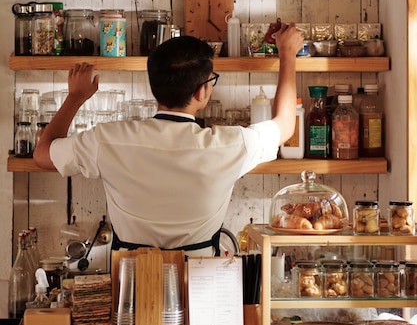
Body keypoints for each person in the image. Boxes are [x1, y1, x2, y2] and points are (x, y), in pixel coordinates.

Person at [34, 25, 304, 256]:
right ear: (202, 91)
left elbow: (42, 154)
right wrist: (287, 54)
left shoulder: (108, 139)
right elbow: (285, 124)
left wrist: (76, 97)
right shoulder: (231, 143)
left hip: (131, 283)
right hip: (200, 284)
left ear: (154, 87)